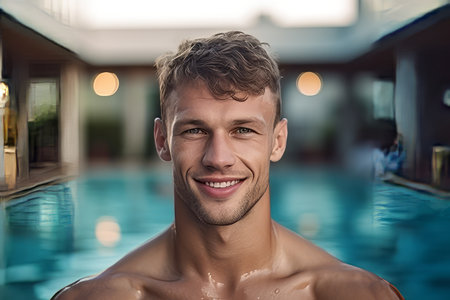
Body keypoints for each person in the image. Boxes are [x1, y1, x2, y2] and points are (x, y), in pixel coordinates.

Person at [52, 31, 403, 299]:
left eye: (243, 130)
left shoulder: (352, 294)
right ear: (162, 141)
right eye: (194, 130)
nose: (218, 158)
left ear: (277, 141)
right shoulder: (101, 297)